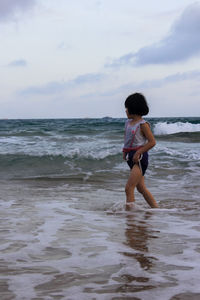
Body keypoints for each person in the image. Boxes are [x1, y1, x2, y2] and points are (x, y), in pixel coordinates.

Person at [123, 93, 158, 208]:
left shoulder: (143, 125)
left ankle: (130, 217)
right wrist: (124, 151)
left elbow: (152, 142)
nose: (125, 110)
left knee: (129, 188)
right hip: (130, 157)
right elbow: (127, 139)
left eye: (127, 108)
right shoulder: (128, 123)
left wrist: (139, 152)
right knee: (141, 188)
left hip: (140, 158)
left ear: (133, 108)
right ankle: (156, 209)